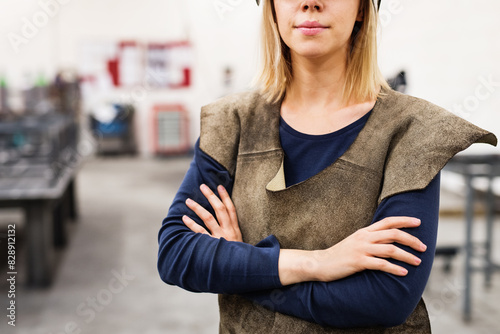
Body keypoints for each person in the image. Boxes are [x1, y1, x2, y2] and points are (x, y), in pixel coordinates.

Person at [157, 0, 497, 332]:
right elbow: (175, 253)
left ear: (363, 7)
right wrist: (319, 263)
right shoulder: (232, 123)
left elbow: (387, 298)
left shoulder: (412, 129)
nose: (310, 3)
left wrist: (243, 267)